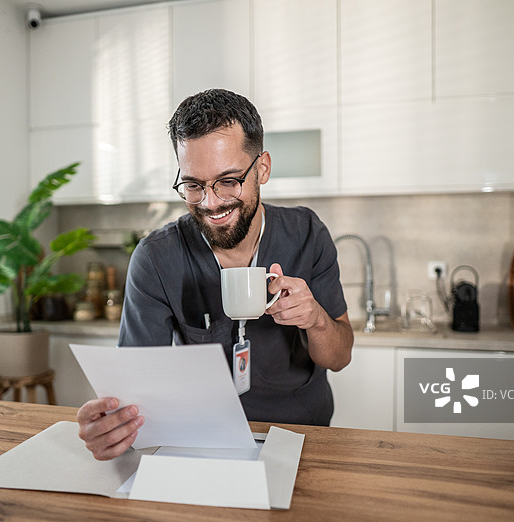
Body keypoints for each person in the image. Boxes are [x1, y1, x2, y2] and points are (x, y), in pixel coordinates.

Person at [77, 89, 353, 460]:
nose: (210, 202)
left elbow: (339, 357)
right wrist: (111, 426)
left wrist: (316, 319)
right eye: (193, 185)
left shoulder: (307, 234)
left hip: (304, 435)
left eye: (228, 181)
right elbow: (138, 388)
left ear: (263, 168)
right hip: (201, 441)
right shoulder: (157, 258)